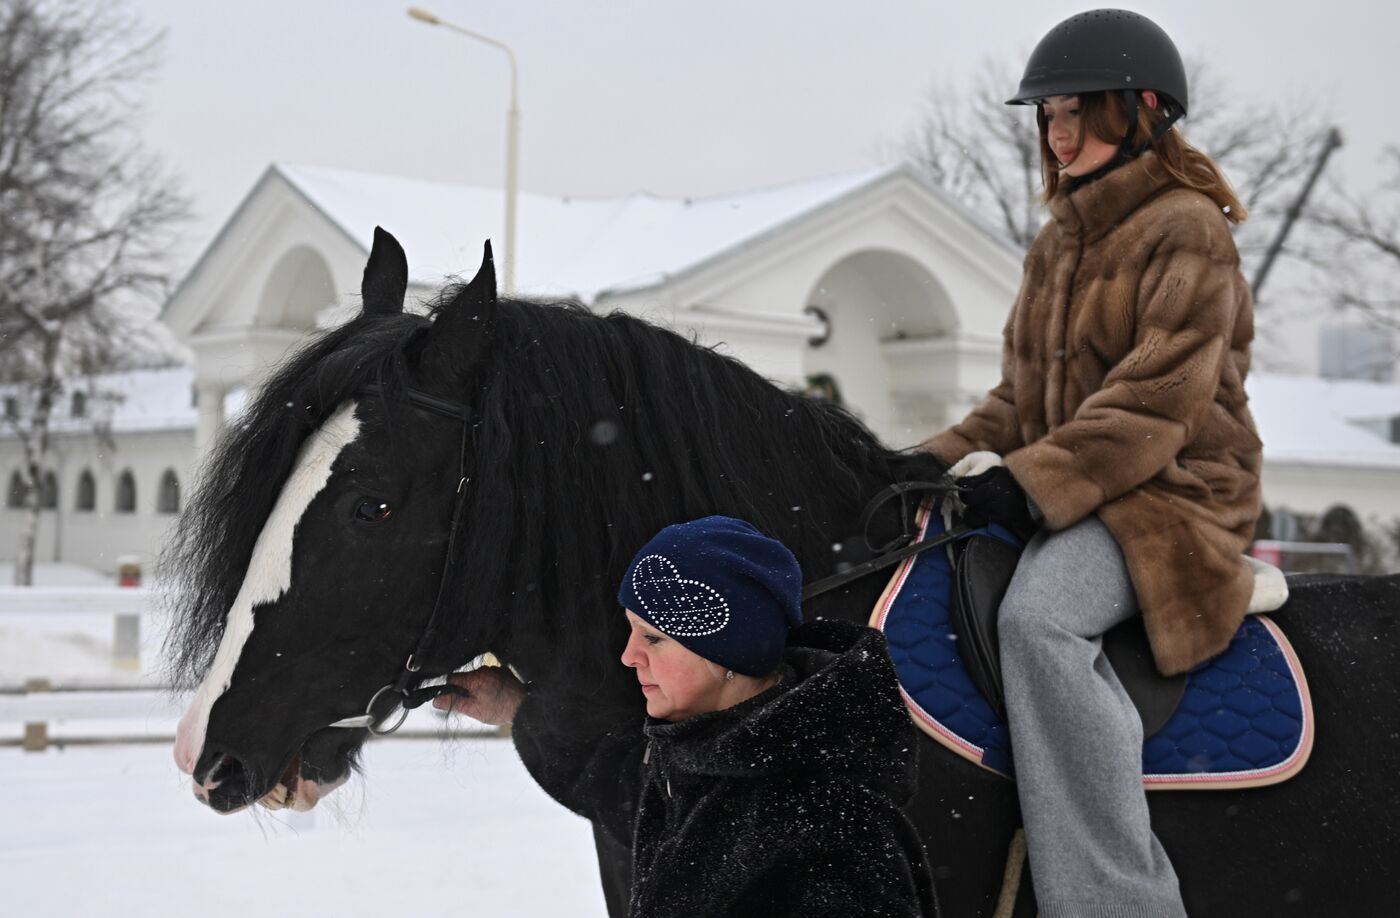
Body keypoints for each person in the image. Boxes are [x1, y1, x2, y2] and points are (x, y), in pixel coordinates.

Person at [924, 8, 1264, 917]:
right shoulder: (1058, 242)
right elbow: (1016, 404)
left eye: (1077, 110)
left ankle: (1118, 899)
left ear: (1142, 109)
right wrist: (916, 465)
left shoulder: (1188, 228)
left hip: (1176, 495)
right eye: (1046, 115)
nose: (1057, 132)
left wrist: (1028, 484)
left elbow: (1159, 401)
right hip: (1082, 485)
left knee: (1039, 620)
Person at [436, 515, 938, 917]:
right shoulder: (698, 763)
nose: (629, 655)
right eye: (632, 631)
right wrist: (520, 709)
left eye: (653, 637)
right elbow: (610, 780)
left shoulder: (830, 825)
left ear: (728, 652)